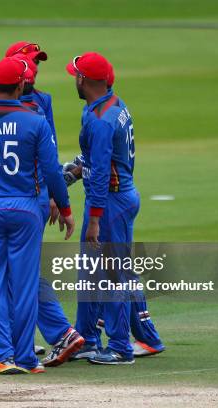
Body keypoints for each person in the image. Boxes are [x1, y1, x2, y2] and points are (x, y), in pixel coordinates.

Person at [0, 57, 75, 374]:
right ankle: (26, 358)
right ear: (21, 85)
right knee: (24, 282)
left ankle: (1, 355)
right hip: (24, 207)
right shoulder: (35, 120)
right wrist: (65, 208)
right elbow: (51, 171)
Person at [62, 61, 165, 360]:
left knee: (111, 274)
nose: (74, 80)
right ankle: (88, 338)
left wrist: (94, 219)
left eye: (76, 76)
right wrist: (71, 173)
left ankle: (120, 347)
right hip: (112, 199)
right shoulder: (109, 106)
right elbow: (94, 157)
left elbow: (102, 170)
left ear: (83, 80)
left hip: (111, 202)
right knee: (92, 271)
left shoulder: (102, 119)